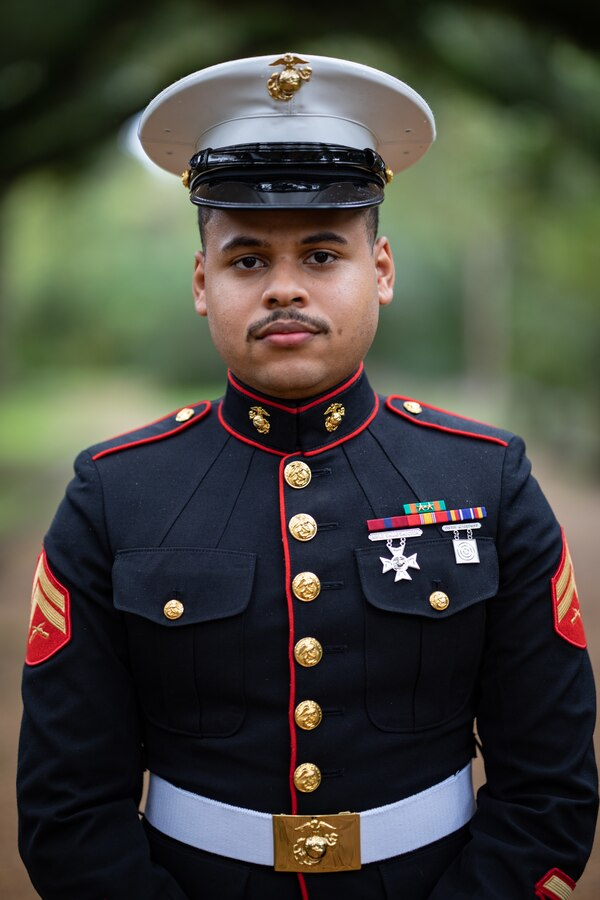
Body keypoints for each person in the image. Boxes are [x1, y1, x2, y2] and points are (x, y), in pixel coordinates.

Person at [17, 52, 598, 900]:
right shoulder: (114, 495)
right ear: (201, 282)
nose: (284, 288)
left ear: (383, 270)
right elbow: (68, 809)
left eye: (323, 256)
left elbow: (549, 789)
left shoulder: (487, 481)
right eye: (247, 260)